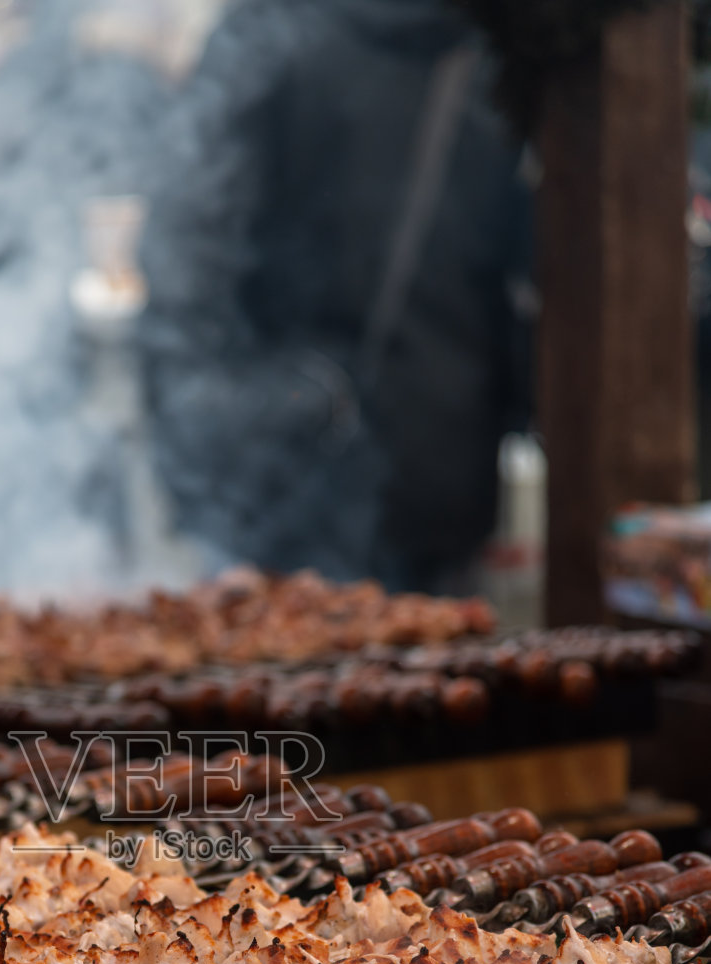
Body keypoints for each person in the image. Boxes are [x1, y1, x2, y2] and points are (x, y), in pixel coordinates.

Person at [138, 0, 534, 591]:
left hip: (284, 472)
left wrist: (203, 477)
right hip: (434, 479)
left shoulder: (271, 31)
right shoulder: (495, 53)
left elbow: (184, 260)